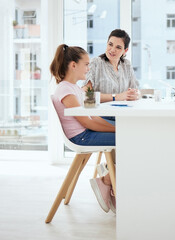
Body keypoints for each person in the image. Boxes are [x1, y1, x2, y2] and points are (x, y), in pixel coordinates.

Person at [50, 44, 116, 214]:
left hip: (86, 132)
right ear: (73, 65)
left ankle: (111, 178)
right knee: (128, 139)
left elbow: (92, 117)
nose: (89, 68)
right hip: (82, 137)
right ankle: (107, 180)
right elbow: (87, 123)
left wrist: (117, 127)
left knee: (125, 134)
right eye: (86, 64)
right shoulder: (66, 89)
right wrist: (117, 130)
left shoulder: (74, 88)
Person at [83, 29, 139, 102]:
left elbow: (135, 91)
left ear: (125, 51)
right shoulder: (95, 63)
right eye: (110, 44)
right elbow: (87, 95)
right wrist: (116, 97)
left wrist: (134, 95)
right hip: (101, 112)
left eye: (118, 47)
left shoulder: (127, 65)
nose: (112, 50)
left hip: (123, 111)